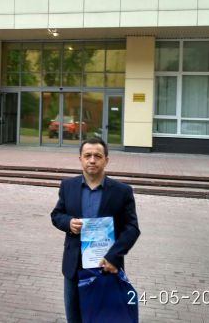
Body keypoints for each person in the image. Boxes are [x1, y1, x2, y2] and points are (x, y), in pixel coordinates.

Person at [51, 137, 141, 323]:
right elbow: (56, 214)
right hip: (74, 267)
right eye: (88, 156)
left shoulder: (122, 191)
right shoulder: (68, 186)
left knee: (105, 318)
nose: (92, 160)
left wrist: (114, 256)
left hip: (106, 265)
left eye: (97, 156)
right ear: (80, 159)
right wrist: (68, 223)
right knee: (74, 318)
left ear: (106, 160)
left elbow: (132, 228)